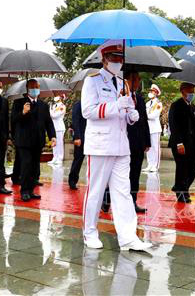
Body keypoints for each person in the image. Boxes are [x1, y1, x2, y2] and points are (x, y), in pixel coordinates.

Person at [80, 41, 151, 251]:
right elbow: (88, 111)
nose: (118, 62)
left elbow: (124, 113)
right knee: (96, 191)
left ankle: (128, 237)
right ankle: (89, 232)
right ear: (103, 59)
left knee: (123, 192)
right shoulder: (92, 82)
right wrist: (115, 106)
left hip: (121, 145)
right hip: (100, 145)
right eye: (113, 58)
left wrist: (131, 115)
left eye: (121, 58)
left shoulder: (123, 83)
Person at [10, 79, 56, 201]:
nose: (35, 89)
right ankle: (24, 191)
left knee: (35, 167)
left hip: (38, 141)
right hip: (23, 141)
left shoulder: (43, 105)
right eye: (32, 87)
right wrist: (23, 113)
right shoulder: (19, 103)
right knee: (26, 166)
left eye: (37, 87)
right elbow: (13, 120)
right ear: (27, 89)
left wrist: (53, 136)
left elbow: (48, 122)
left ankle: (31, 190)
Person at [168, 82, 195, 203]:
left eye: (193, 90)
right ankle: (181, 193)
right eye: (190, 90)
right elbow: (174, 125)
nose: (192, 93)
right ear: (183, 91)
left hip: (193, 143)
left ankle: (182, 188)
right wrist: (179, 143)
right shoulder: (176, 105)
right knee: (182, 167)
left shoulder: (194, 107)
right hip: (180, 143)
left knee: (194, 166)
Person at [125, 71, 150, 213]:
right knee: (120, 175)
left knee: (135, 174)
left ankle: (132, 201)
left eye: (139, 79)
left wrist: (147, 141)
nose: (138, 82)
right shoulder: (121, 97)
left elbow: (144, 121)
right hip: (124, 142)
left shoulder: (139, 99)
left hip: (138, 143)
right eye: (135, 79)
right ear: (127, 81)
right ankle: (107, 198)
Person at [68, 99, 87, 190]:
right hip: (81, 137)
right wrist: (77, 137)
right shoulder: (78, 104)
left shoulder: (91, 103)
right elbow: (75, 120)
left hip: (92, 136)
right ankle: (72, 180)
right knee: (78, 159)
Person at [144, 84, 163, 173]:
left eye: (152, 91)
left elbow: (154, 115)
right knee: (148, 147)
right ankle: (150, 164)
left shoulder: (158, 103)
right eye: (150, 91)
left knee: (155, 147)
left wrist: (145, 116)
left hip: (155, 128)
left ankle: (155, 165)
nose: (150, 93)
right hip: (148, 128)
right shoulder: (147, 103)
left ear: (156, 93)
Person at [49, 94, 67, 166]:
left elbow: (54, 116)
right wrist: (51, 109)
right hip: (54, 127)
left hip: (59, 127)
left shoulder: (62, 106)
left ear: (60, 97)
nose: (55, 97)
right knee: (54, 143)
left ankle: (60, 158)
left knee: (59, 143)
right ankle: (55, 157)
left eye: (57, 96)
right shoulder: (54, 106)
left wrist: (50, 110)